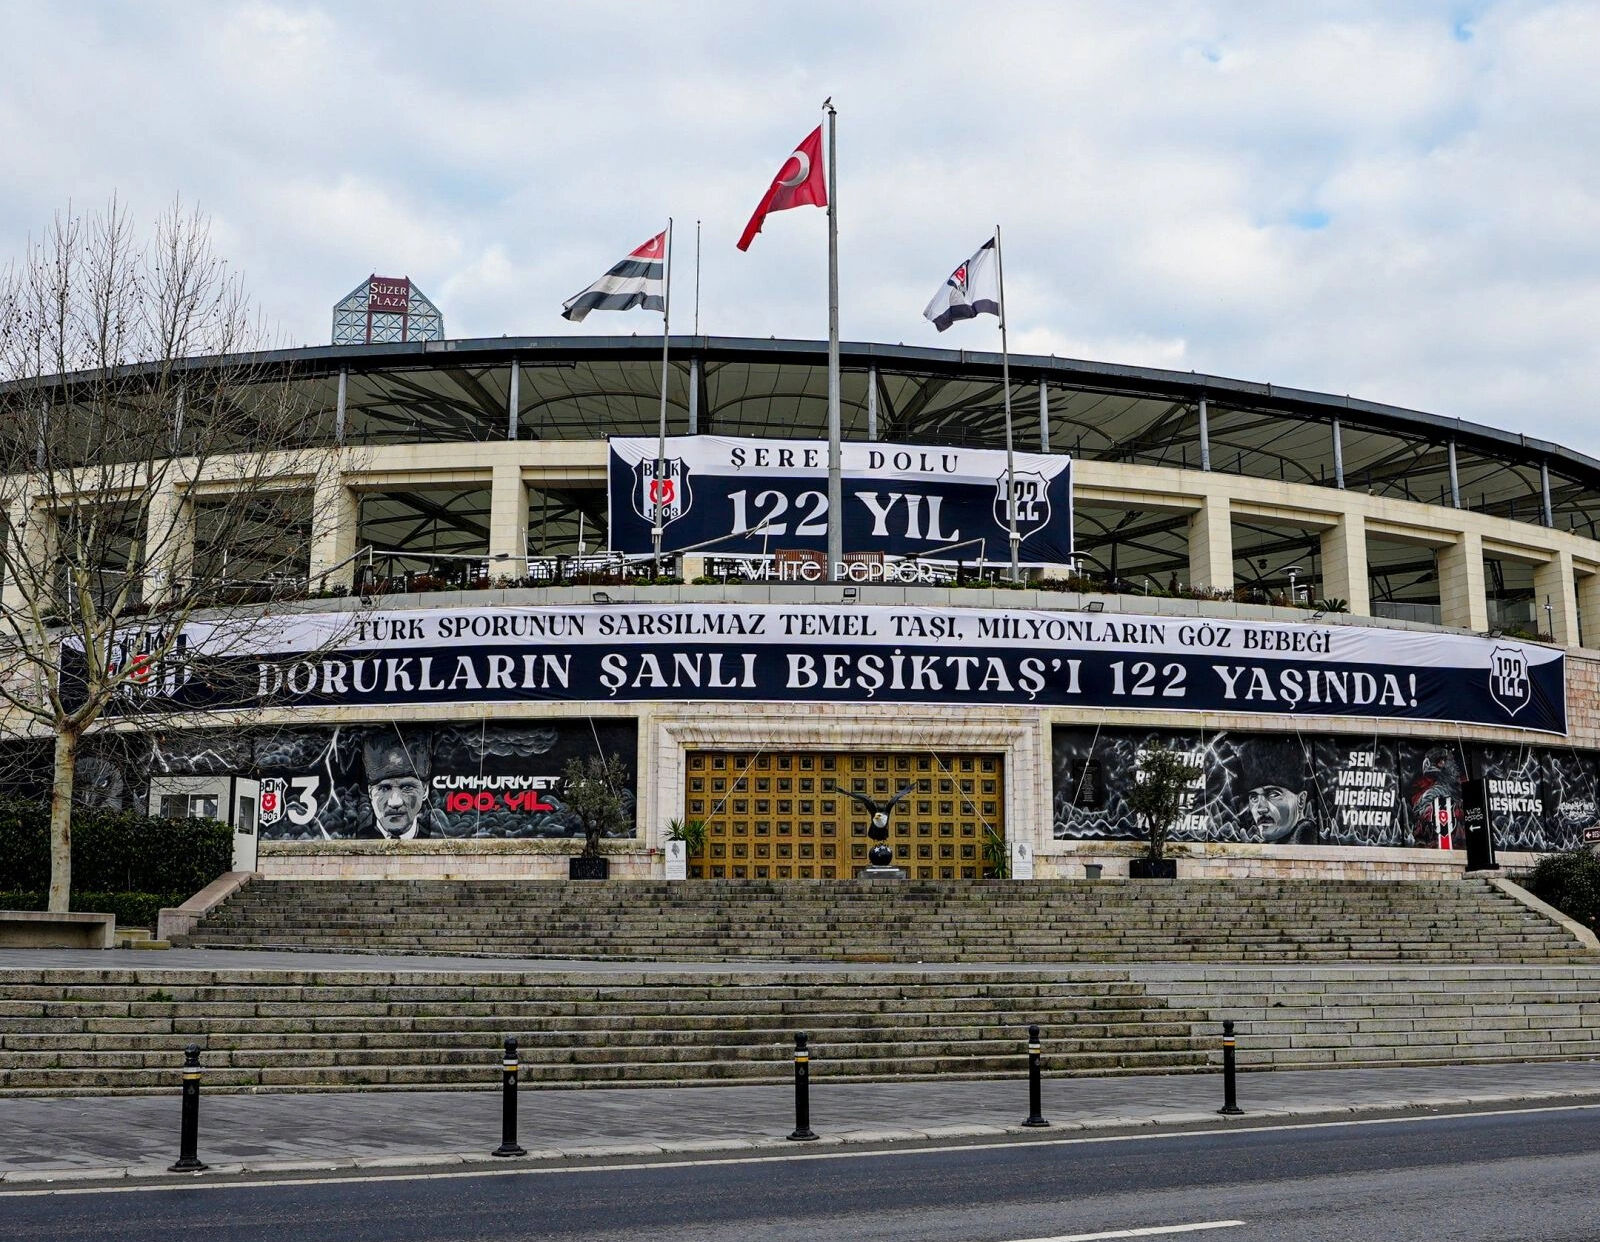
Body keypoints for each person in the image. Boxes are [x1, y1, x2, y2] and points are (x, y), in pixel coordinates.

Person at [363, 734, 432, 840]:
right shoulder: (356, 838)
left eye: (407, 787)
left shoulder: (435, 839)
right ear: (370, 792)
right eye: (384, 788)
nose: (395, 802)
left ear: (425, 790)